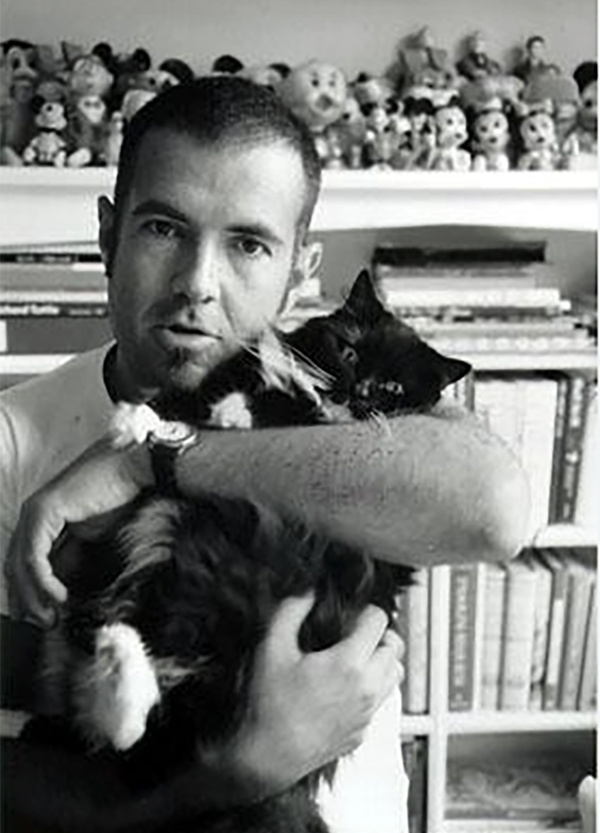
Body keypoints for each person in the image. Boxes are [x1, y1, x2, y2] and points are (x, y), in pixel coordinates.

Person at [0, 75, 530, 832]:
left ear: (302, 271)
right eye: (162, 229)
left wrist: (146, 457)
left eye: (248, 243)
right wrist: (233, 774)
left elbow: (497, 508)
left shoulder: (344, 396)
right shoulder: (12, 443)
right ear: (107, 233)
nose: (197, 285)